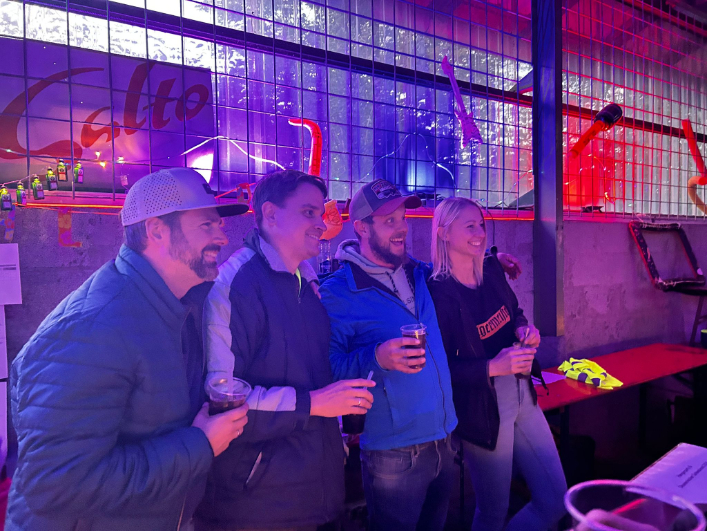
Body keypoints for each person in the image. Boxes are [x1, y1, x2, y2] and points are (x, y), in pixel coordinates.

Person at [7, 167, 251, 531]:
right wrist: (200, 444)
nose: (223, 236)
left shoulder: (179, 307)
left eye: (219, 224)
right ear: (157, 230)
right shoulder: (95, 327)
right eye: (206, 225)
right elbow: (56, 485)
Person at [195, 169, 375, 531]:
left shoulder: (308, 281)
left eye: (320, 213)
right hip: (257, 508)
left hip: (318, 494)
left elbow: (312, 376)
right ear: (270, 214)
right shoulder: (235, 285)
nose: (321, 224)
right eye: (308, 213)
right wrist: (316, 403)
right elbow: (222, 401)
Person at [318, 179, 458, 531]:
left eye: (403, 218)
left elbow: (457, 271)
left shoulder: (418, 273)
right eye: (389, 221)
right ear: (361, 227)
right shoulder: (338, 292)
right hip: (394, 454)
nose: (402, 228)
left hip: (445, 439)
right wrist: (376, 357)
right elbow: (327, 370)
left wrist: (493, 260)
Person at [427, 196, 567, 531]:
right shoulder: (437, 292)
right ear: (444, 233)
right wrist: (491, 367)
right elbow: (438, 370)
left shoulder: (491, 270)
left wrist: (524, 329)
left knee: (555, 499)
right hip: (482, 409)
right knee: (492, 512)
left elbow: (514, 312)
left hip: (523, 393)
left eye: (481, 225)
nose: (479, 233)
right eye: (469, 226)